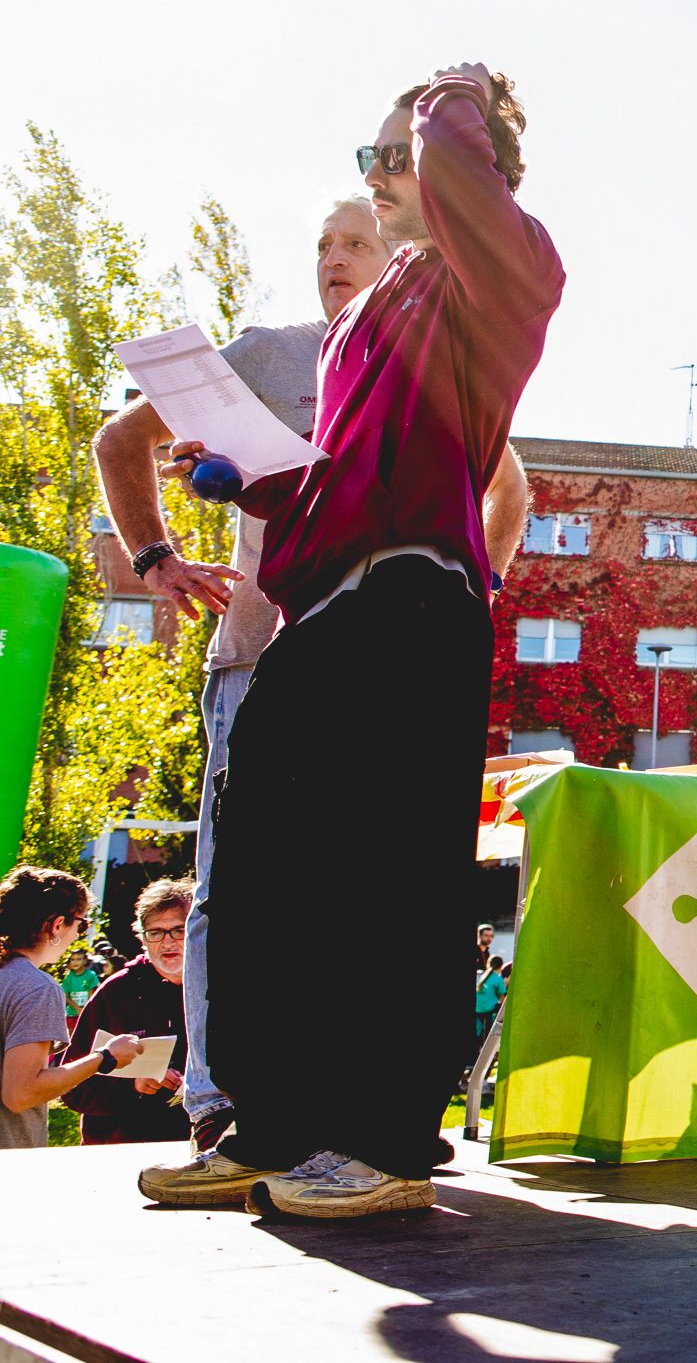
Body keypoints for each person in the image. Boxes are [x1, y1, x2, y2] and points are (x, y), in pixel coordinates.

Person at [141, 64, 564, 1218]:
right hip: (317, 609)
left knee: (388, 876)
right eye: (370, 155)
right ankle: (271, 1124)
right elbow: (337, 480)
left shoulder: (503, 271)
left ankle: (384, 1139)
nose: (376, 174)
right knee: (268, 875)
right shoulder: (363, 324)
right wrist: (245, 474)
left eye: (396, 155)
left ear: (460, 164)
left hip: (416, 603)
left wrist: (450, 91)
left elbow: (458, 146)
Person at [96, 201, 531, 1154]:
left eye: (355, 243)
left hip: (373, 652)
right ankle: (222, 1102)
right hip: (259, 650)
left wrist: (471, 587)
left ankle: (344, 1114)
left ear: (396, 261)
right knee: (233, 892)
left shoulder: (420, 367)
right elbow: (118, 441)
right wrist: (155, 558)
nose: (334, 258)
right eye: (323, 245)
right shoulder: (269, 353)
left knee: (354, 888)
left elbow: (510, 489)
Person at [3, 868, 147, 1150]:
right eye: (82, 925)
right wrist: (105, 1057)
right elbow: (20, 1094)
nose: (78, 935)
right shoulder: (36, 988)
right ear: (57, 925)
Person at [64, 878, 192, 1144]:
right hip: (124, 1145)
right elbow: (72, 1086)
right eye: (155, 932)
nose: (167, 942)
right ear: (142, 937)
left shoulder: (220, 988)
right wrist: (132, 1085)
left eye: (178, 930)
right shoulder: (116, 992)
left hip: (204, 1146)